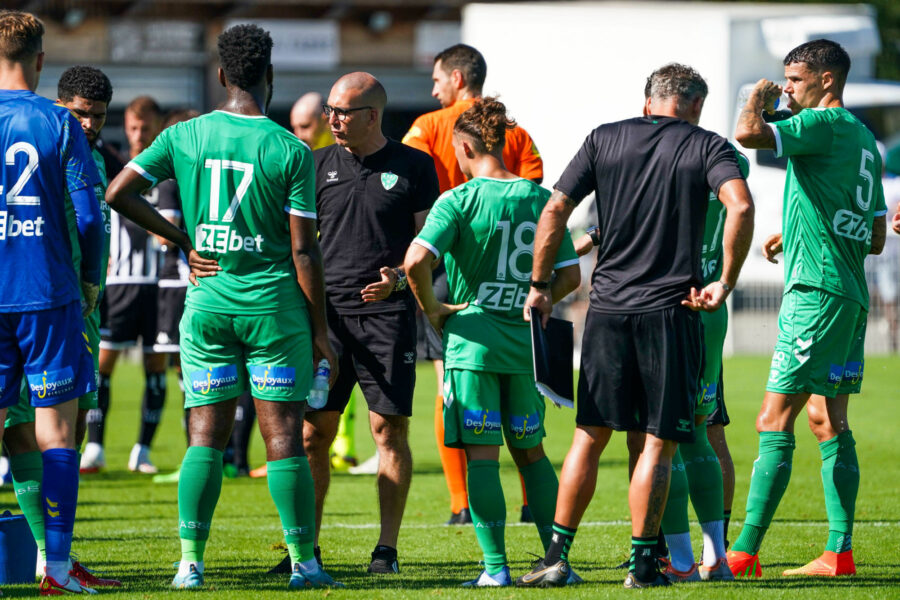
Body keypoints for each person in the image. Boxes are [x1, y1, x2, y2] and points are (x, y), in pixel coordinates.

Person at [105, 23, 342, 590]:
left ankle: (190, 564)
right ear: (270, 76)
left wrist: (184, 241)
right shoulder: (292, 149)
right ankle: (304, 564)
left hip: (208, 307)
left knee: (203, 436)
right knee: (282, 436)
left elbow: (117, 193)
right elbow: (303, 250)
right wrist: (320, 328)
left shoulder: (183, 136)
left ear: (220, 75)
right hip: (273, 310)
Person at [515, 63, 754, 589]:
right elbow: (740, 205)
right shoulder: (707, 146)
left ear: (648, 101)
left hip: (607, 310)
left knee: (588, 435)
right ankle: (645, 563)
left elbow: (555, 208)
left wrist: (539, 284)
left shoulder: (603, 138)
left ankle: (556, 555)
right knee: (657, 443)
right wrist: (725, 282)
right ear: (695, 106)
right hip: (673, 312)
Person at [404, 97, 581, 586]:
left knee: (481, 457)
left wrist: (432, 307)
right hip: (526, 346)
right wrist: (534, 296)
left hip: (473, 344)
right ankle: (556, 563)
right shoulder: (538, 198)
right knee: (532, 454)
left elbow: (415, 261)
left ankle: (495, 570)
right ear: (502, 142)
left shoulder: (457, 199)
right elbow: (569, 277)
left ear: (463, 146)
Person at [727, 39, 887, 579]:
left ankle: (743, 553)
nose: (786, 87)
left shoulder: (821, 125)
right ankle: (838, 553)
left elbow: (747, 134)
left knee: (774, 417)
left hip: (814, 295)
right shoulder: (867, 140)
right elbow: (875, 236)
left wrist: (757, 96)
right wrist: (794, 234)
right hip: (848, 294)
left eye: (794, 78)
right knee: (827, 418)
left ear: (826, 81)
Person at [302, 71, 438, 574]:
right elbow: (296, 244)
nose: (332, 120)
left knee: (388, 430)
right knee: (314, 434)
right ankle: (305, 552)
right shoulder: (313, 165)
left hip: (387, 318)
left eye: (342, 112)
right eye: (330, 110)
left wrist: (399, 281)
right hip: (326, 322)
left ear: (372, 115)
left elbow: (430, 250)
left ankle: (386, 550)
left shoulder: (415, 167)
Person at [403, 42, 543, 525]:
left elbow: (402, 184)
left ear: (458, 79)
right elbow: (534, 197)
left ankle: (462, 503)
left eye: (437, 79)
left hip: (449, 267)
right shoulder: (516, 132)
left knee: (451, 388)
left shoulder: (428, 126)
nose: (434, 88)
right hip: (520, 279)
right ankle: (534, 510)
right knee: (527, 417)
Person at [2, 64, 123, 589]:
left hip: (73, 310)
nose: (89, 124)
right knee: (30, 426)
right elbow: (91, 223)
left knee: (50, 427)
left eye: (97, 116)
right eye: (81, 114)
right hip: (50, 300)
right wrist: (90, 282)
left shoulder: (97, 154)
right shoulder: (55, 134)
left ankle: (47, 559)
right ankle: (50, 559)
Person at [82, 95, 167, 474]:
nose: (137, 135)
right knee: (103, 367)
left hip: (159, 285)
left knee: (155, 367)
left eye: (145, 128)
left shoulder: (169, 171)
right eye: (132, 127)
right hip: (118, 284)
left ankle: (143, 451)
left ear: (157, 128)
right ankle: (95, 448)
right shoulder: (116, 165)